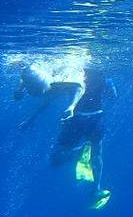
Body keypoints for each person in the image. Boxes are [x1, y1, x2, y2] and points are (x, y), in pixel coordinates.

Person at [15, 63, 116, 210]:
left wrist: (31, 119)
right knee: (97, 153)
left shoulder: (67, 74)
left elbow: (53, 98)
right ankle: (97, 189)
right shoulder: (102, 78)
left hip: (75, 120)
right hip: (96, 118)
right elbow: (112, 95)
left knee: (55, 159)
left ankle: (79, 151)